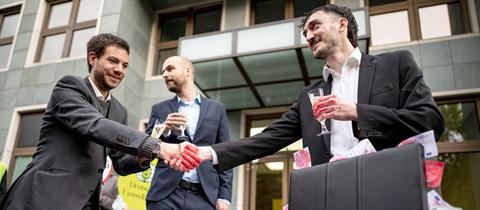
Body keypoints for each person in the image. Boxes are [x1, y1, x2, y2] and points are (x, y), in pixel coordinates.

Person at [189, 4, 445, 171]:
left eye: (315, 26)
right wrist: (207, 152)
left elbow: (429, 121)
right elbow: (266, 139)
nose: (309, 36)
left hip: (387, 190)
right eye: (306, 33)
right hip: (329, 193)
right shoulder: (308, 97)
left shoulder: (396, 64)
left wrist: (357, 112)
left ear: (342, 24)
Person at [0, 34, 199, 209]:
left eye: (125, 65)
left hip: (87, 202)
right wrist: (157, 146)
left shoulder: (119, 110)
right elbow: (95, 125)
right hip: (44, 197)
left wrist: (145, 156)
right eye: (113, 61)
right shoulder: (69, 87)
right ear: (93, 58)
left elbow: (121, 162)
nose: (119, 69)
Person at [145, 56, 233, 210]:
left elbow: (224, 154)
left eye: (170, 69)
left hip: (204, 197)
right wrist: (163, 128)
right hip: (164, 195)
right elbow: (146, 146)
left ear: (187, 71)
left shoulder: (217, 109)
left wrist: (224, 196)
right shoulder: (159, 109)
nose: (164, 74)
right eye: (163, 71)